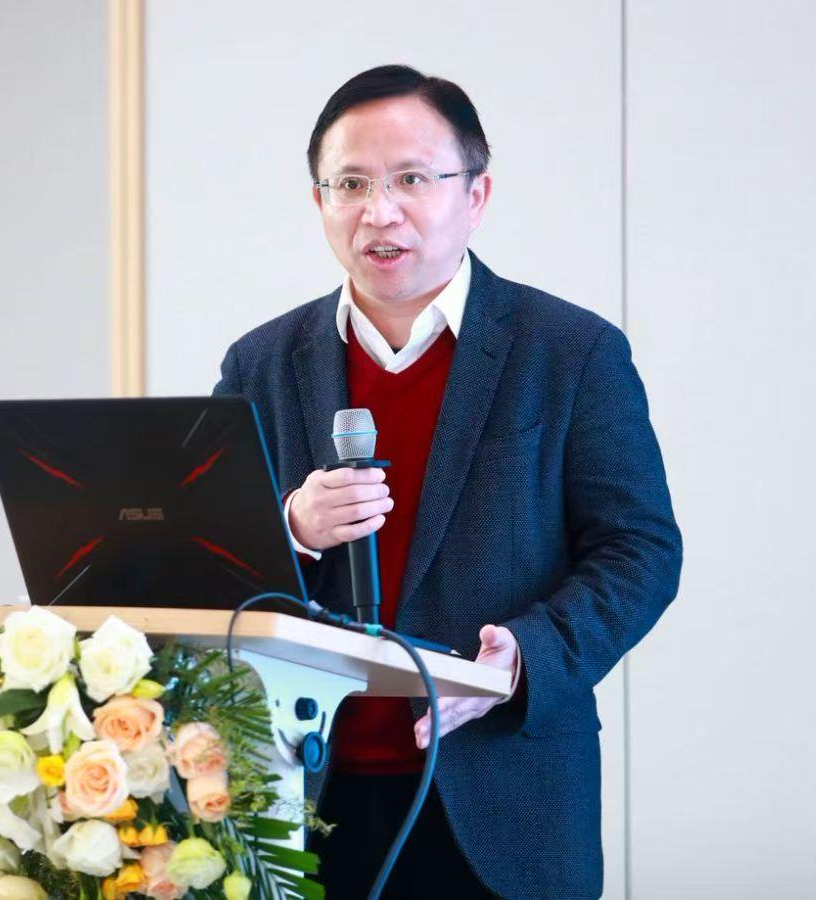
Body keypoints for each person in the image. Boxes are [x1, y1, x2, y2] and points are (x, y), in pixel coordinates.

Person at [212, 64, 682, 899]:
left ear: (476, 194)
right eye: (351, 183)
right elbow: (208, 561)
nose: (379, 211)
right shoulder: (261, 363)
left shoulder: (569, 352)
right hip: (303, 797)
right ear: (319, 200)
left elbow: (640, 551)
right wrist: (289, 527)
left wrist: (523, 659)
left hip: (503, 795)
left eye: (411, 179)